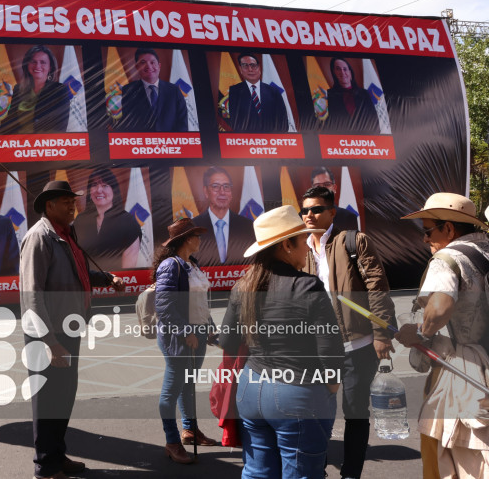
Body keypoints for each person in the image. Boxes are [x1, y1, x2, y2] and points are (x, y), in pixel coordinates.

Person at [220, 205, 345, 478]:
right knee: (301, 472)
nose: (307, 248)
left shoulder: (243, 286)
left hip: (251, 389)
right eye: (303, 242)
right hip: (297, 392)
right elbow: (330, 349)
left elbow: (228, 341)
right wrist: (332, 388)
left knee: (256, 472)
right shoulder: (307, 286)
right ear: (286, 245)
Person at [19, 180, 125, 479]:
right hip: (47, 335)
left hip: (69, 330)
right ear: (49, 205)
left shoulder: (67, 236)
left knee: (64, 396)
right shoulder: (39, 237)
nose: (72, 205)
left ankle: (57, 455)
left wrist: (107, 279)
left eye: (72, 200)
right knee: (48, 400)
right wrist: (50, 342)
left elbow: (79, 274)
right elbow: (32, 295)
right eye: (65, 201)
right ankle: (45, 466)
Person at [301, 186, 396, 479]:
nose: (309, 215)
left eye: (316, 209)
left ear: (332, 212)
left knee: (355, 411)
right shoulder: (300, 247)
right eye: (304, 210)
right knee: (315, 411)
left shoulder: (353, 241)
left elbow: (377, 287)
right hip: (317, 347)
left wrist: (382, 334)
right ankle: (317, 467)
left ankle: (351, 473)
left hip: (356, 345)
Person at [395, 193, 489, 479]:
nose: (425, 240)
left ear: (449, 228)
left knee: (448, 458)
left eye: (428, 231)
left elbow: (439, 307)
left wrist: (419, 333)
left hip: (461, 371)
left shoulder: (447, 258)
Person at [154, 218, 216, 465]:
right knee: (171, 390)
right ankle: (172, 441)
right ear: (187, 239)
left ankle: (190, 430)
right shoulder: (171, 266)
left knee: (188, 384)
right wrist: (185, 332)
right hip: (178, 338)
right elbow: (165, 307)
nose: (200, 240)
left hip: (197, 333)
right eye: (196, 235)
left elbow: (200, 303)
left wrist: (209, 329)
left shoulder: (191, 264)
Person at [72, 168, 141, 271]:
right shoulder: (80, 220)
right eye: (94, 185)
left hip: (115, 283)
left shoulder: (128, 222)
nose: (99, 190)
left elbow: (128, 269)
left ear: (114, 190)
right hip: (85, 283)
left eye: (105, 185)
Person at [0, 45, 71, 134]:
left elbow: (60, 127)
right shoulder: (18, 89)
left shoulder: (59, 90)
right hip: (19, 144)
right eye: (33, 61)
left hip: (44, 144)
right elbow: (10, 123)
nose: (38, 66)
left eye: (43, 62)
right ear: (27, 65)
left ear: (50, 67)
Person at [193, 167, 256, 267]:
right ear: (205, 191)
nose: (222, 192)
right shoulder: (193, 227)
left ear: (231, 192)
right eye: (215, 186)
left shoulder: (248, 226)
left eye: (226, 186)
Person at [116, 48, 188, 133]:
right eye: (143, 62)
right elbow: (125, 125)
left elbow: (182, 123)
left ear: (159, 66)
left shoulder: (174, 90)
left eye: (152, 62)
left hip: (171, 144)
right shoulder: (127, 91)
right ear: (137, 67)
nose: (149, 66)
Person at [228, 52, 289, 133]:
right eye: (245, 65)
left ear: (259, 68)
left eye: (253, 65)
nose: (250, 69)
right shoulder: (235, 91)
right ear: (240, 69)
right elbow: (235, 122)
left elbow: (283, 123)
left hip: (273, 140)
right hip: (247, 141)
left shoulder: (273, 91)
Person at [324, 57, 380, 134]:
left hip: (367, 141)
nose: (342, 72)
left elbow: (375, 122)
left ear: (350, 72)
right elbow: (326, 126)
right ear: (334, 72)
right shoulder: (328, 95)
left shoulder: (365, 94)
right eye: (338, 69)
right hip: (341, 142)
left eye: (345, 69)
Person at [311, 166, 359, 231]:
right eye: (318, 186)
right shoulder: (302, 218)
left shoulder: (349, 217)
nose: (323, 189)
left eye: (327, 184)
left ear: (334, 188)